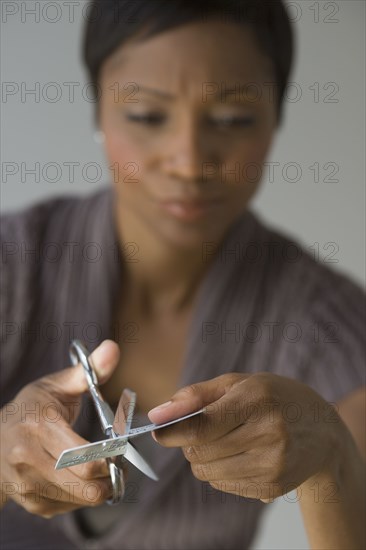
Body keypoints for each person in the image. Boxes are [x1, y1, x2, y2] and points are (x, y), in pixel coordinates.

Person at [0, 1, 365, 548]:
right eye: (147, 116)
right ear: (98, 112)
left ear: (276, 121)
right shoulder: (12, 264)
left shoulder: (328, 321)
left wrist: (332, 457)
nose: (190, 161)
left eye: (232, 119)